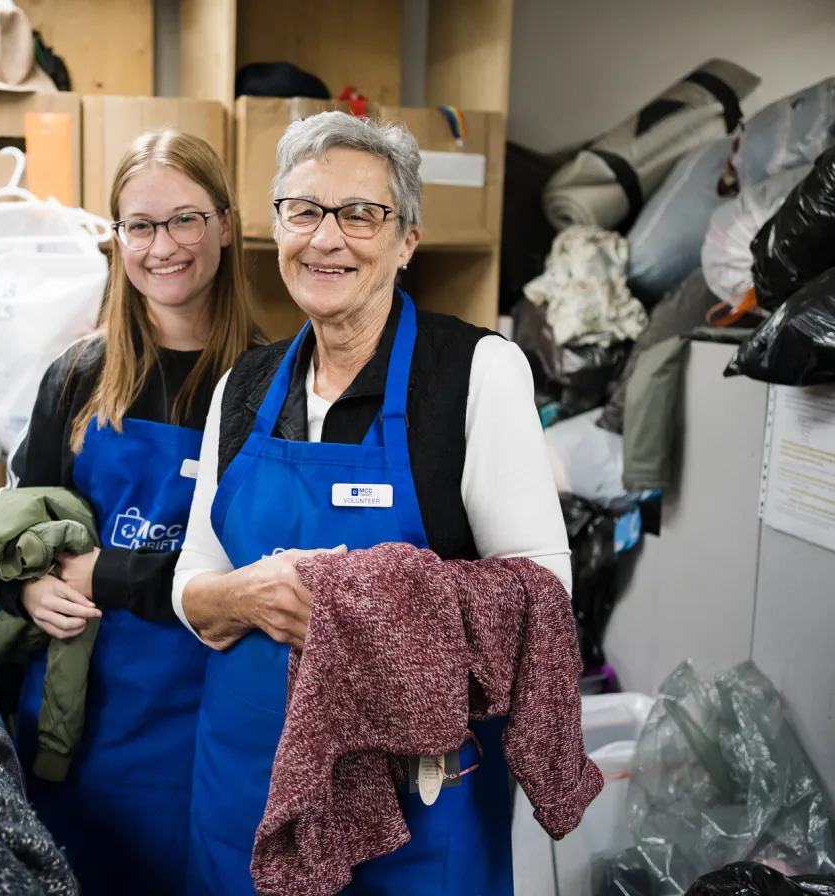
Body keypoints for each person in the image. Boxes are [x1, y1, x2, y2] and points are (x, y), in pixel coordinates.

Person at [172, 111, 572, 895]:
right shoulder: (244, 384)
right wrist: (246, 595)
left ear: (406, 240)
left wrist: (356, 609)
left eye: (361, 215)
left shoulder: (477, 372)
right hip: (243, 792)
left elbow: (542, 602)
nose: (327, 239)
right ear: (277, 227)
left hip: (411, 819)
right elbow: (194, 580)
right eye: (305, 211)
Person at [0, 127, 258, 896]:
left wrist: (105, 571)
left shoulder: (268, 387)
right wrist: (26, 587)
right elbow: (19, 529)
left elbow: (260, 573)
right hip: (79, 729)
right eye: (139, 225)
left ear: (225, 225)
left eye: (184, 219)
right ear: (117, 239)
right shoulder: (78, 376)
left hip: (206, 725)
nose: (162, 245)